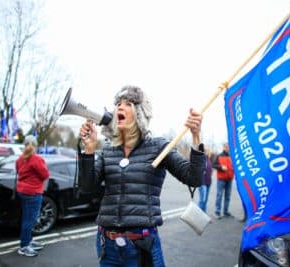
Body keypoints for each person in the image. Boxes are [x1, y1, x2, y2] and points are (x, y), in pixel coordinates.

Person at [79, 85, 205, 267]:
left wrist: (196, 136)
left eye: (128, 103)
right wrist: (89, 151)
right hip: (108, 246)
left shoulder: (159, 146)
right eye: (118, 104)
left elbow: (194, 178)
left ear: (139, 113)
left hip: (141, 246)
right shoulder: (108, 149)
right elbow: (87, 188)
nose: (119, 108)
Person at [16, 135, 50, 257]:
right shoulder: (36, 159)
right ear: (35, 146)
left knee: (26, 218)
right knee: (30, 220)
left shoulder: (20, 159)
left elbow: (18, 171)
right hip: (33, 192)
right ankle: (24, 246)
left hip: (22, 191)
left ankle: (28, 241)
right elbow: (45, 174)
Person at [213, 143, 234, 219]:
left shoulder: (232, 156)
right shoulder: (219, 155)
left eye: (228, 147)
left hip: (229, 179)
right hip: (221, 179)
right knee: (219, 195)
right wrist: (221, 167)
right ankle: (217, 212)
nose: (227, 148)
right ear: (223, 147)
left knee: (227, 196)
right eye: (226, 147)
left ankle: (226, 211)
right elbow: (214, 165)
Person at [198, 147, 213, 212]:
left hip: (208, 182)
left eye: (208, 151)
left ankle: (204, 215)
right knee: (202, 200)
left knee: (205, 200)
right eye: (205, 151)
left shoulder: (208, 159)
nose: (207, 152)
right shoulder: (200, 159)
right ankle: (199, 215)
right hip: (202, 183)